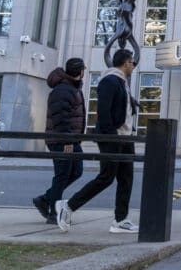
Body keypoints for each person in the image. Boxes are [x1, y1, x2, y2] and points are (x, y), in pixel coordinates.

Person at [56, 49, 139, 234]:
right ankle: (68, 207)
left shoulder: (122, 82)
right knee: (106, 178)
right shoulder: (109, 81)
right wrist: (110, 136)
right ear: (126, 63)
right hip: (112, 137)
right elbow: (103, 111)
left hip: (125, 138)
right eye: (132, 62)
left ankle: (121, 220)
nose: (133, 66)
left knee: (126, 179)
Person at [33, 58, 86, 224]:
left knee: (76, 171)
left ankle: (45, 199)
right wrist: (68, 142)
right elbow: (61, 119)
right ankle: (53, 213)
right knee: (62, 174)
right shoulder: (63, 90)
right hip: (63, 140)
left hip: (70, 139)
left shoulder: (69, 88)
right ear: (80, 71)